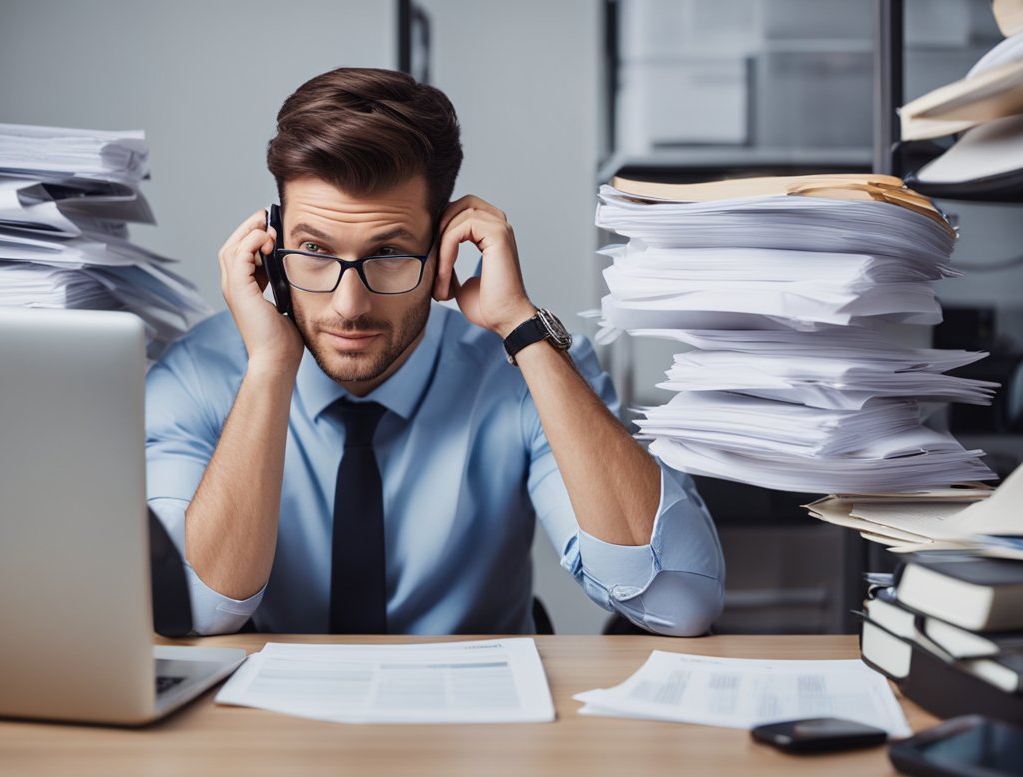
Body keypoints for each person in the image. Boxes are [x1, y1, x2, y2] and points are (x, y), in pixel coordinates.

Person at [146, 67, 724, 636]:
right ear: (272, 254)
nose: (349, 304)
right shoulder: (196, 376)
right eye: (314, 251)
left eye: (390, 254)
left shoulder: (525, 368)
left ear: (445, 249)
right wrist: (270, 370)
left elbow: (677, 601)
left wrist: (522, 328)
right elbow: (195, 610)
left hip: (479, 719)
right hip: (262, 725)